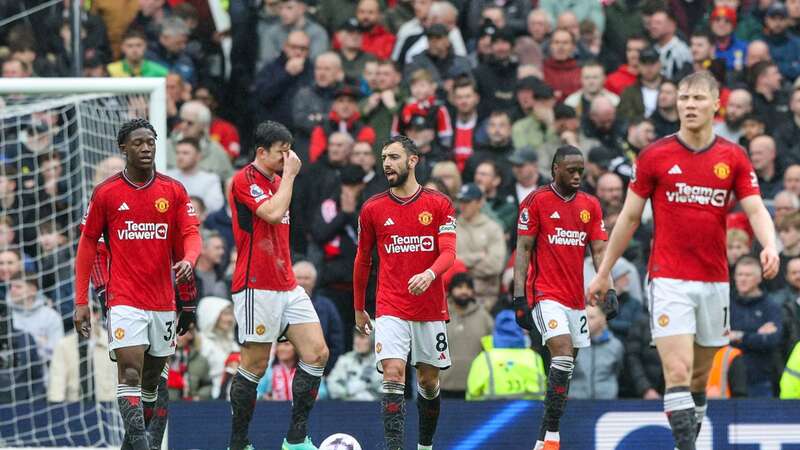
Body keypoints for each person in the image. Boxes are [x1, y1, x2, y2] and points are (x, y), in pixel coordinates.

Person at [588, 71, 779, 450]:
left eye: (697, 99)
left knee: (698, 377)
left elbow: (756, 209)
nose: (689, 105)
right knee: (675, 371)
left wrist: (769, 244)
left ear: (715, 105)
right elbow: (627, 218)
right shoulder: (655, 155)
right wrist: (603, 271)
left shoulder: (733, 156)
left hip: (714, 280)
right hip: (668, 277)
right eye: (683, 99)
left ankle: (683, 443)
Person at [74, 118, 202, 450]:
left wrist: (189, 259)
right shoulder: (107, 193)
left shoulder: (172, 190)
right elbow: (88, 246)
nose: (146, 148)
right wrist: (80, 301)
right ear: (123, 148)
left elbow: (191, 233)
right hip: (124, 298)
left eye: (151, 142)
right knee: (130, 374)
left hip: (162, 301)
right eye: (138, 143)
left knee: (151, 383)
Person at [227, 121, 329, 450]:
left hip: (287, 283)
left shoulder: (277, 180)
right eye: (281, 153)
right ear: (261, 152)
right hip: (257, 284)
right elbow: (271, 213)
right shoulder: (245, 180)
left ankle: (296, 438)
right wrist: (290, 176)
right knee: (255, 363)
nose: (288, 159)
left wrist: (285, 177)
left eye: (289, 152)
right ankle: (239, 442)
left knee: (317, 353)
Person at [353, 135, 457, 450]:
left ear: (413, 161)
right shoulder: (373, 208)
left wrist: (429, 273)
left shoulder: (439, 204)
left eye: (394, 157)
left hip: (429, 307)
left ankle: (425, 445)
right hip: (391, 306)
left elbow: (449, 253)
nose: (387, 163)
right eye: (384, 157)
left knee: (428, 381)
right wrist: (359, 307)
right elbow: (363, 260)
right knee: (394, 373)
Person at [512, 144, 609, 450]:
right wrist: (518, 298)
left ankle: (542, 440)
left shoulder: (590, 205)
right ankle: (553, 434)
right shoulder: (536, 201)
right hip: (545, 294)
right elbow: (523, 249)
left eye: (581, 170)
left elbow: (599, 251)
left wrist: (610, 288)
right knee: (564, 354)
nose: (578, 175)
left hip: (575, 299)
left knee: (564, 371)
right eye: (572, 170)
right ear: (555, 168)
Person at [465, 309, 546, 401]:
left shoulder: (484, 358)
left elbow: (472, 393)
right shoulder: (534, 358)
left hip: (489, 412)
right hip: (528, 412)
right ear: (520, 331)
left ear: (495, 331)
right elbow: (542, 392)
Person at [440, 272, 494, 399]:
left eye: (468, 288)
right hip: (444, 386)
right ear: (451, 290)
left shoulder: (484, 317)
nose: (464, 291)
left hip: (476, 386)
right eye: (459, 287)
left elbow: (492, 350)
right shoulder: (440, 315)